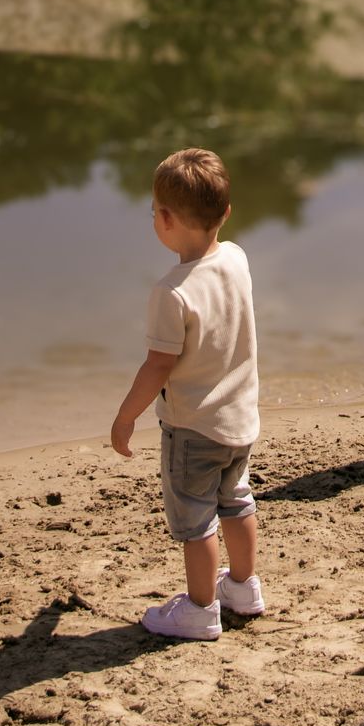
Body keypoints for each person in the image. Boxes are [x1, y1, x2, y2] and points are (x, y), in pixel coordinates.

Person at [110, 147, 265, 640]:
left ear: (166, 219)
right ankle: (243, 586)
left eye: (154, 212)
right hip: (240, 420)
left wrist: (126, 416)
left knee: (196, 521)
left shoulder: (172, 292)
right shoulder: (236, 258)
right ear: (226, 214)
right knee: (236, 501)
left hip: (193, 428)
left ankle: (200, 609)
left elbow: (159, 364)